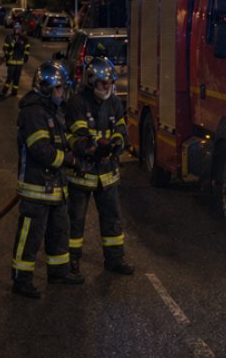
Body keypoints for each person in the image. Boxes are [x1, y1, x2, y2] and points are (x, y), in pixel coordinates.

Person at [10, 61, 84, 299]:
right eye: (60, 89)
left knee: (59, 232)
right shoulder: (32, 113)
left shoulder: (52, 111)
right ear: (47, 88)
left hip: (55, 188)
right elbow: (40, 150)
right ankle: (21, 280)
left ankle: (59, 272)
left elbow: (59, 141)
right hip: (36, 188)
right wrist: (68, 160)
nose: (62, 94)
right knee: (30, 236)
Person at [64, 57, 135, 276]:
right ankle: (71, 263)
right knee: (75, 222)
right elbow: (77, 137)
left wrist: (116, 145)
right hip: (82, 174)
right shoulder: (77, 103)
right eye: (104, 83)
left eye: (110, 83)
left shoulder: (114, 102)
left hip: (107, 174)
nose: (108, 87)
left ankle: (114, 260)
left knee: (112, 220)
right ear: (91, 81)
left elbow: (121, 131)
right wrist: (93, 147)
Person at [0, 23, 30, 100]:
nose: (17, 31)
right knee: (9, 78)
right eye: (16, 29)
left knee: (17, 78)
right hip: (11, 62)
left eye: (19, 29)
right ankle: (3, 92)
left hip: (19, 63)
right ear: (14, 29)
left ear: (20, 30)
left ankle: (14, 92)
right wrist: (8, 53)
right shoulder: (9, 38)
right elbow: (5, 48)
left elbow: (27, 49)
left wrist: (25, 58)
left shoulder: (24, 39)